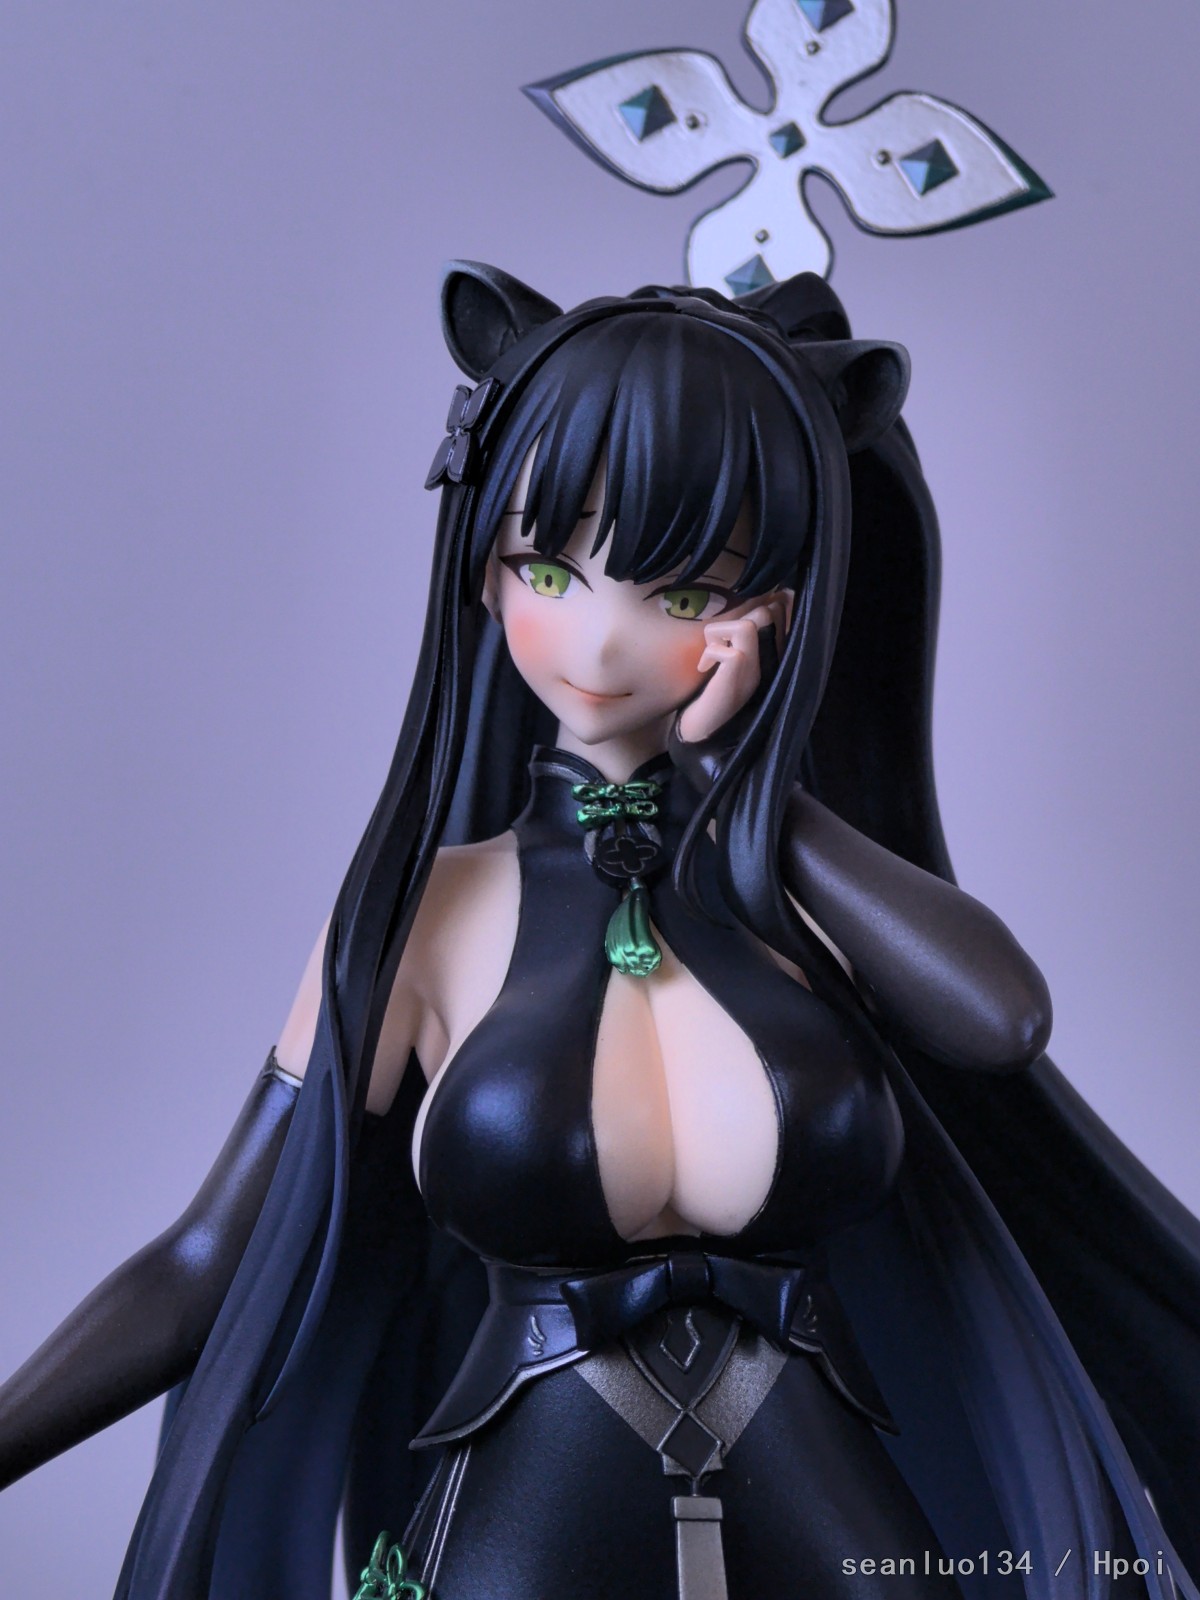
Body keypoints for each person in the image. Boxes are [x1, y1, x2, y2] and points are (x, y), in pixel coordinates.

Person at [1, 263, 1197, 1600]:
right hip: (524, 1521)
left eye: (681, 593)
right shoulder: (428, 912)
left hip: (828, 1504)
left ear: (776, 611)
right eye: (548, 566)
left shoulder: (805, 897)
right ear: (482, 569)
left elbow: (1004, 1019)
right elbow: (207, 1259)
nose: (600, 640)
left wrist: (738, 785)